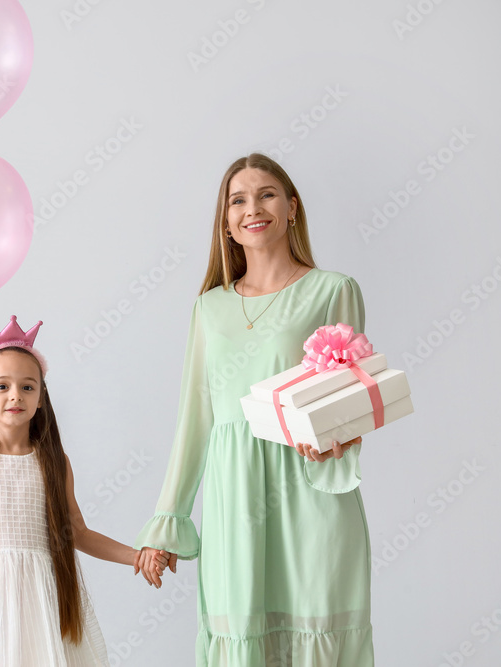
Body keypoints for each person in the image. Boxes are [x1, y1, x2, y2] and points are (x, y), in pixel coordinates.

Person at [134, 154, 374, 666]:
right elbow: (195, 419)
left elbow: (350, 403)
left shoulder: (333, 290)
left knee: (317, 630)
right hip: (235, 495)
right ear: (226, 222)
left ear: (292, 207)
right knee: (241, 636)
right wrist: (168, 520)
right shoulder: (209, 307)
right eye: (237, 200)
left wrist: (337, 437)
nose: (253, 209)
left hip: (309, 487)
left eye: (266, 194)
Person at [0, 316, 169, 666]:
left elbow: (77, 532)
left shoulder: (54, 462)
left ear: (41, 397)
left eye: (28, 387)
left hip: (43, 599)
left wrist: (136, 556)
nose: (15, 395)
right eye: (2, 386)